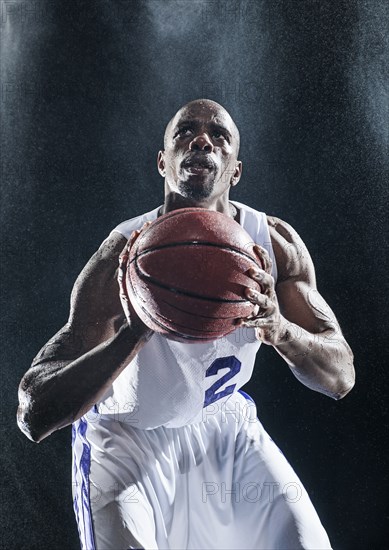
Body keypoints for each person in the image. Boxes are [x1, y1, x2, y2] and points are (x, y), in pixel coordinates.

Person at [17, 99, 355, 550]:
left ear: (235, 170)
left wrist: (279, 328)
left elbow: (341, 377)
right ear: (163, 162)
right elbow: (34, 414)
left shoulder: (272, 246)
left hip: (224, 432)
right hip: (127, 441)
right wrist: (134, 331)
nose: (201, 139)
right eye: (185, 132)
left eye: (219, 135)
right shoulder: (122, 256)